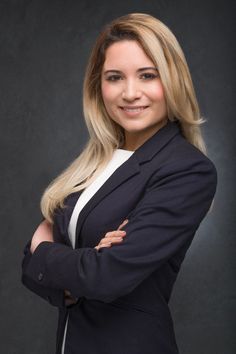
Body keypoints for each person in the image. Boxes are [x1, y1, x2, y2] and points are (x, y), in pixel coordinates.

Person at [21, 13, 217, 354]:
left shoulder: (188, 170)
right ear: (100, 85)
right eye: (115, 77)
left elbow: (103, 276)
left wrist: (45, 251)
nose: (130, 93)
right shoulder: (94, 163)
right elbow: (32, 270)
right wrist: (78, 274)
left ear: (172, 80)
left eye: (147, 75)